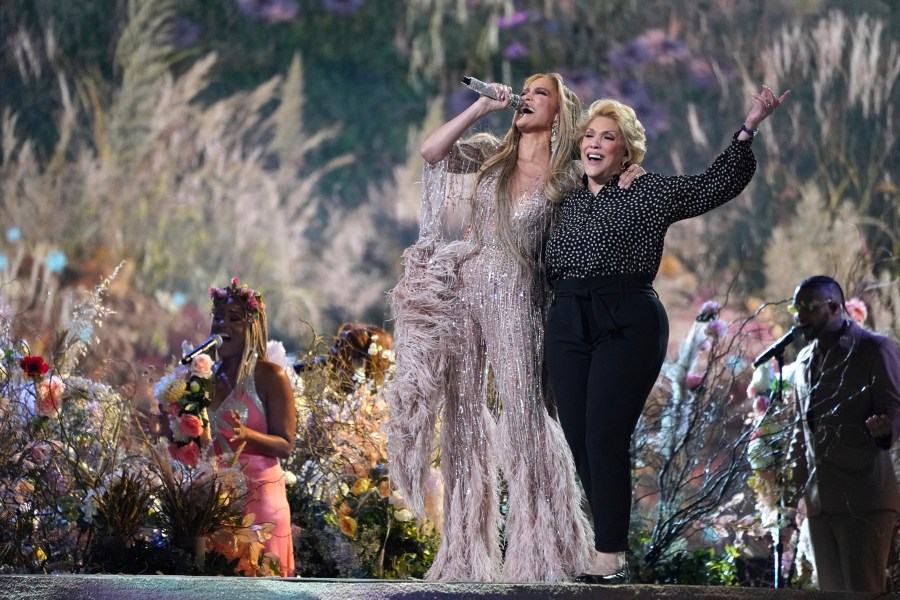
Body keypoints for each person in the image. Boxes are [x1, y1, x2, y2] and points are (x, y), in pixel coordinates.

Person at [386, 73, 641, 582]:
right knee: (463, 420)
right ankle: (464, 554)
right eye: (524, 89)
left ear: (560, 111)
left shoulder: (568, 173)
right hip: (463, 287)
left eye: (539, 92)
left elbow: (613, 167)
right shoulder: (488, 154)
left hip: (518, 294)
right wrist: (481, 107)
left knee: (522, 413)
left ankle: (544, 549)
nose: (526, 97)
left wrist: (631, 172)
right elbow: (432, 151)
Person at [543, 86, 790, 582]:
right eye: (588, 135)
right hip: (568, 315)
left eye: (607, 137)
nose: (593, 143)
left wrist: (748, 129)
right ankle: (596, 538)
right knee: (577, 438)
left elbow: (712, 185)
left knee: (603, 433)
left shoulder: (647, 190)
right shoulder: (561, 195)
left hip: (627, 318)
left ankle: (609, 552)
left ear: (625, 151)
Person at [786, 275, 900, 592]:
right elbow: (800, 431)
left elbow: (895, 409)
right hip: (821, 504)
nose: (799, 316)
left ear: (835, 307)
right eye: (795, 308)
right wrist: (791, 496)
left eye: (808, 307)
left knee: (862, 591)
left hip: (864, 497)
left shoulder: (874, 349)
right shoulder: (804, 360)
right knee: (831, 593)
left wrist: (885, 428)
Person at [207, 277, 297, 577]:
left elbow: (285, 444)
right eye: (218, 318)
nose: (223, 325)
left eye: (234, 318)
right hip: (216, 503)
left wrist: (247, 436)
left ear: (252, 327)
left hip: (262, 504)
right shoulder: (204, 378)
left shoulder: (271, 376)